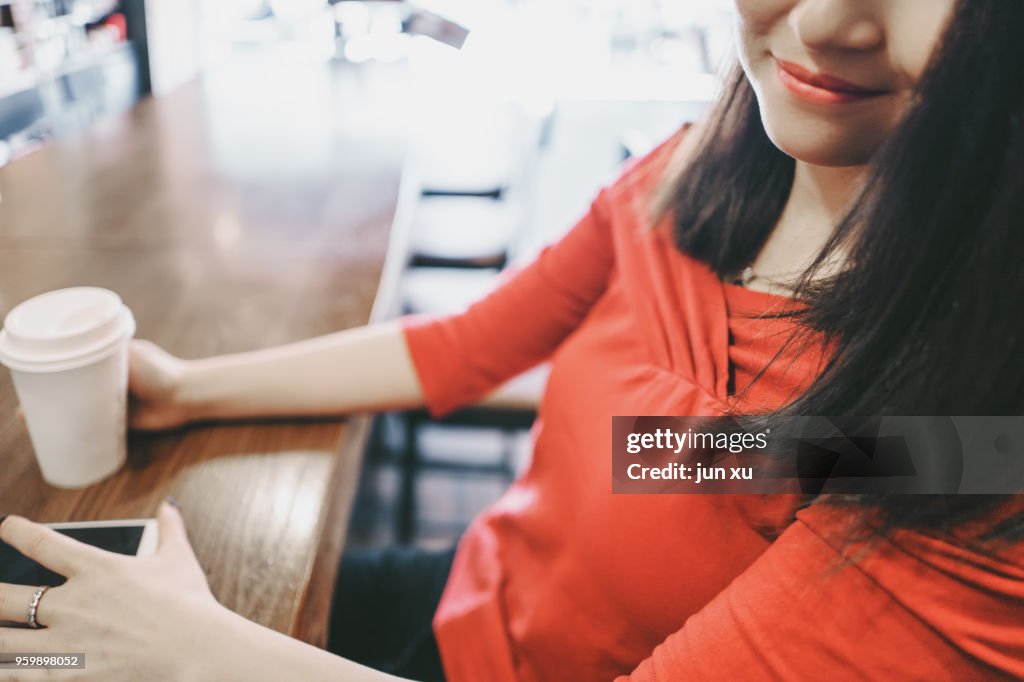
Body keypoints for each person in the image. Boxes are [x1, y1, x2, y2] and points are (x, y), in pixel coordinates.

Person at [2, 0, 1023, 679]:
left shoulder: (973, 443)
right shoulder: (690, 176)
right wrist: (188, 388)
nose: (824, 19)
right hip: (476, 594)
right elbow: (471, 346)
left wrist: (195, 651)